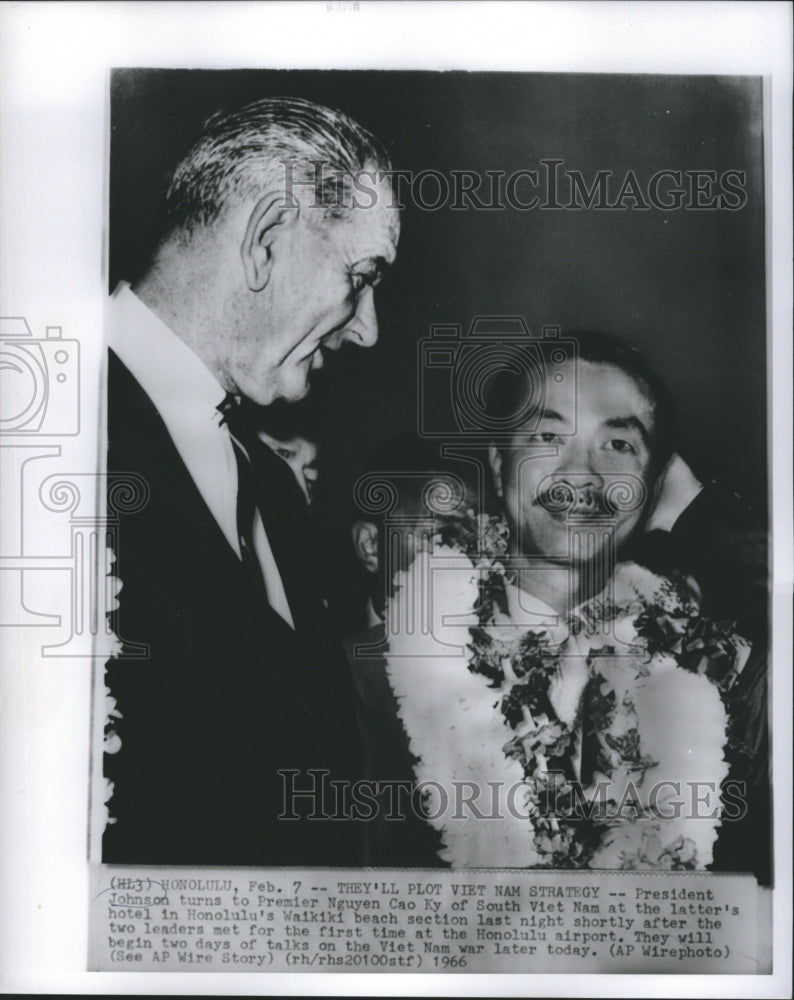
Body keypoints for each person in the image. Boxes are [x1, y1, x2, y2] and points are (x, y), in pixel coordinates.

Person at [103, 96, 400, 865]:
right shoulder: (48, 430)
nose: (368, 327)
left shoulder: (267, 482)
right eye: (360, 277)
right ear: (266, 239)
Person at [378, 332, 769, 879]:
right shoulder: (386, 668)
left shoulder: (724, 676)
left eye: (617, 445)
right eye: (547, 435)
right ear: (497, 464)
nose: (581, 475)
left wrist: (694, 508)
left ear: (653, 485)